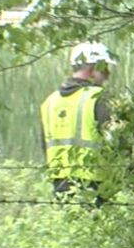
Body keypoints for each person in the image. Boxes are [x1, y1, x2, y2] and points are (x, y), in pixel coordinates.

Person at [40, 41, 118, 203]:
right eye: (104, 69)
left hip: (60, 183)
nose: (107, 75)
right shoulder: (99, 97)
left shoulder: (49, 102)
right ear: (92, 69)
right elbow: (117, 140)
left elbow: (44, 145)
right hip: (96, 183)